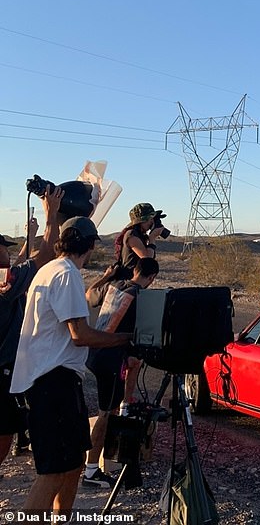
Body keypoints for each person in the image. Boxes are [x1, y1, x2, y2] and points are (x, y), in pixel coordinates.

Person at [10, 216, 133, 513]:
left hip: (54, 381)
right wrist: (124, 339)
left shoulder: (50, 269)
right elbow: (79, 335)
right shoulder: (66, 274)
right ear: (90, 245)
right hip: (52, 383)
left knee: (73, 464)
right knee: (53, 473)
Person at [0, 185, 64, 469]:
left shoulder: (6, 281)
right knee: (4, 429)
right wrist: (52, 217)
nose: (7, 252)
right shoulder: (6, 284)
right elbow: (45, 256)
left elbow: (20, 264)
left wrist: (32, 232)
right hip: (1, 373)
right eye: (4, 248)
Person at [83, 257, 159, 488]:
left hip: (95, 355)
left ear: (135, 270)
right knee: (106, 414)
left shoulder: (113, 286)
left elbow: (89, 294)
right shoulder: (142, 298)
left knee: (111, 409)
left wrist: (106, 275)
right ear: (152, 277)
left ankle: (106, 459)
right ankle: (91, 470)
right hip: (110, 359)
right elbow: (144, 334)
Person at [113, 203, 166, 280]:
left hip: (136, 280)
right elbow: (147, 259)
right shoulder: (131, 235)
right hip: (127, 280)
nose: (151, 222)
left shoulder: (140, 235)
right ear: (140, 221)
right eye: (149, 219)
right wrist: (152, 238)